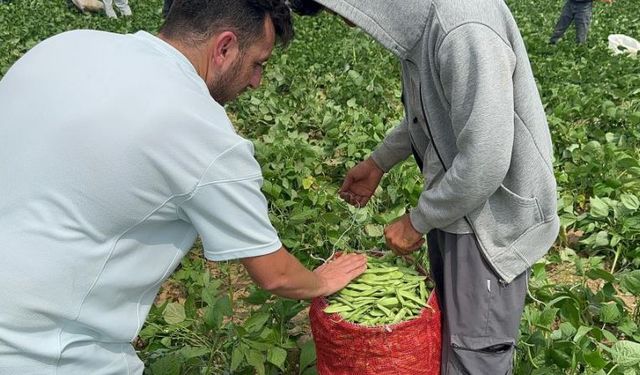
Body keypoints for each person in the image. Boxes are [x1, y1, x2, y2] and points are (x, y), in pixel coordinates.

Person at [0, 1, 367, 374]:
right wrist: (322, 280)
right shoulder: (202, 133)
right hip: (45, 354)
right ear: (224, 47)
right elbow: (276, 274)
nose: (257, 81)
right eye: (259, 63)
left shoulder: (64, 46)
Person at [290, 0, 560, 374]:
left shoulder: (463, 28)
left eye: (342, 12)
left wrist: (417, 221)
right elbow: (433, 113)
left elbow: (485, 160)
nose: (350, 24)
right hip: (457, 207)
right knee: (450, 334)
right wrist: (378, 162)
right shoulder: (426, 27)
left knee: (473, 355)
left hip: (488, 223)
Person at [549, 0, 613, 45]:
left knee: (582, 29)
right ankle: (552, 43)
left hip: (584, 6)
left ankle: (579, 50)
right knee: (561, 24)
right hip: (570, 3)